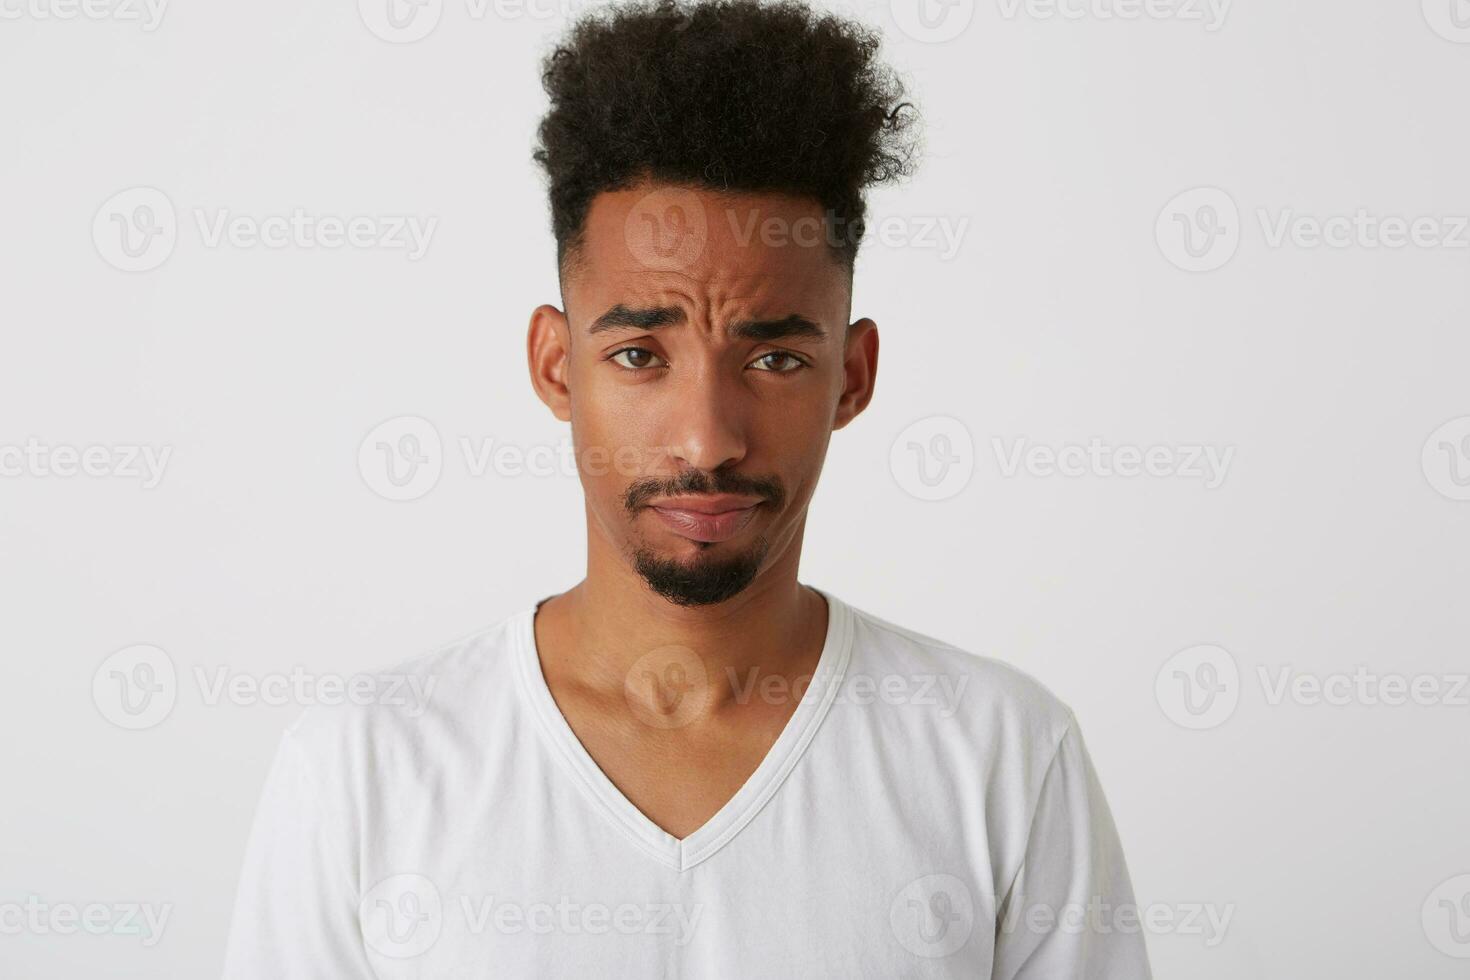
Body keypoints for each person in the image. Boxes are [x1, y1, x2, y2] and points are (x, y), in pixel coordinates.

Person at [222, 0, 1151, 975]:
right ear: (553, 365)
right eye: (637, 353)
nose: (707, 436)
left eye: (776, 359)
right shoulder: (364, 768)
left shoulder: (1002, 756)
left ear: (856, 375)